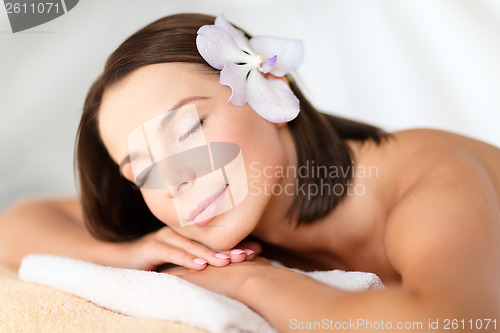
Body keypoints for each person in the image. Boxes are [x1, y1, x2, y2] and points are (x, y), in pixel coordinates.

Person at [1, 13, 499, 332]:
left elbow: (459, 321)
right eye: (142, 171)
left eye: (190, 128)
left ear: (270, 88)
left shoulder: (427, 176)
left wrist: (249, 284)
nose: (175, 177)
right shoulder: (217, 209)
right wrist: (127, 252)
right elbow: (16, 224)